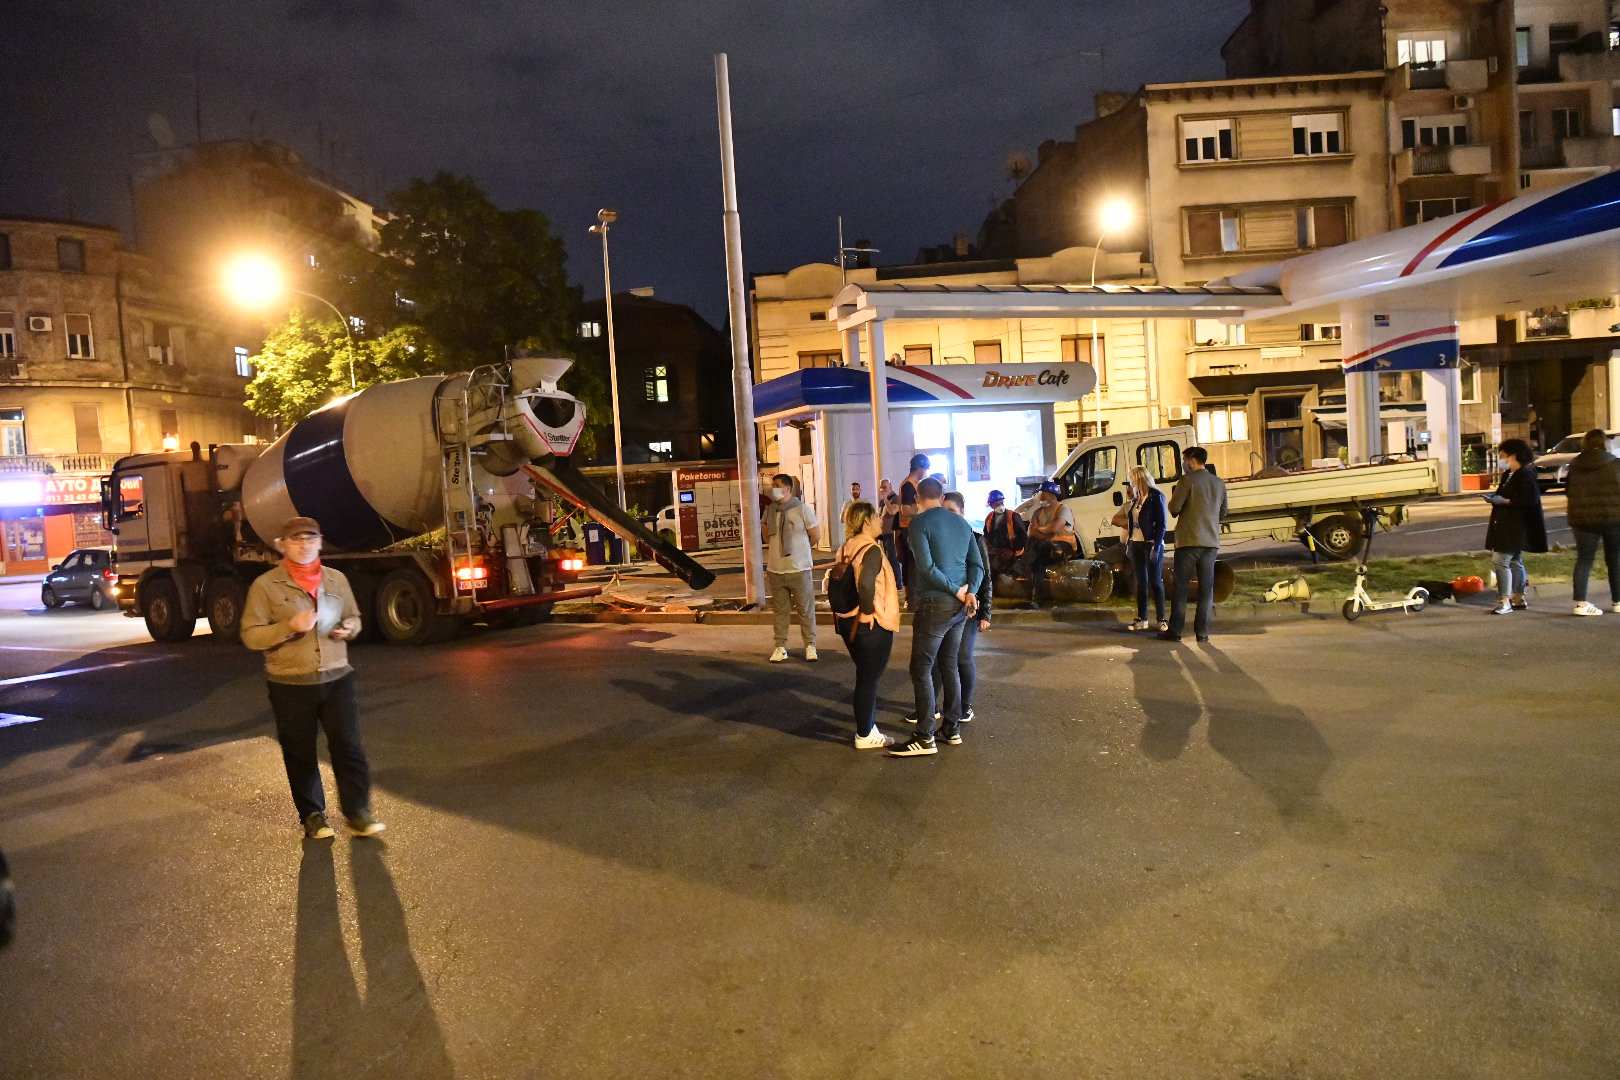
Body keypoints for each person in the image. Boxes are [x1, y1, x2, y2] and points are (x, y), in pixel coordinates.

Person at [241, 516, 384, 840]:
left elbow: (355, 617)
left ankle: (358, 812)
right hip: (290, 681)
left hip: (337, 676)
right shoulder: (266, 586)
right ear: (283, 546)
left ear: (320, 542)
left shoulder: (336, 580)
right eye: (296, 540)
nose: (304, 545)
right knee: (300, 750)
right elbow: (251, 635)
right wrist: (289, 627)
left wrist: (350, 628)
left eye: (310, 539)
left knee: (349, 745)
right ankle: (313, 816)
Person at [890, 477, 984, 757]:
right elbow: (977, 565)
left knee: (921, 668)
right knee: (949, 665)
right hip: (960, 608)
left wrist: (956, 591)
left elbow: (927, 567)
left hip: (936, 603)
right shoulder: (961, 522)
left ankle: (924, 735)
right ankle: (951, 728)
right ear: (942, 496)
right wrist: (970, 592)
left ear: (918, 497)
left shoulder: (919, 523)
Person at [828, 501, 899, 749]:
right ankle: (865, 734)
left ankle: (867, 725)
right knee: (869, 679)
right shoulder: (871, 550)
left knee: (865, 675)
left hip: (847, 621)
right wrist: (868, 613)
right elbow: (866, 584)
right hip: (869, 623)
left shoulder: (847, 547)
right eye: (877, 517)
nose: (881, 520)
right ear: (867, 520)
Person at [1161, 446, 1228, 643]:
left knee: (1181, 587)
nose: (1183, 464)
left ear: (1191, 460)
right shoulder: (1218, 483)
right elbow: (1223, 512)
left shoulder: (1187, 480)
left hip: (1189, 541)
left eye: (1184, 460)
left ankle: (1175, 631)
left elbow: (1174, 508)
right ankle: (1202, 633)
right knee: (1206, 589)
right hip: (1211, 542)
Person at [1484, 437, 1547, 615]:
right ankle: (1518, 598)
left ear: (1514, 456)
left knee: (1500, 560)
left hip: (1516, 526)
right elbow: (1502, 494)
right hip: (1506, 524)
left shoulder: (1526, 474)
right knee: (1514, 561)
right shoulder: (1508, 474)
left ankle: (1504, 600)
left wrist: (1505, 501)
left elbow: (1530, 500)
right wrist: (1495, 498)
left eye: (1503, 456)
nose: (1501, 460)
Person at [762, 472, 820, 660]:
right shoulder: (769, 510)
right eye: (773, 485)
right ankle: (780, 646)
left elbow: (815, 535)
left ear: (788, 488)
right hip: (776, 569)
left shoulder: (802, 509)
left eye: (777, 485)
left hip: (799, 568)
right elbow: (766, 536)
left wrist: (800, 550)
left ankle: (810, 645)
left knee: (805, 610)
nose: (773, 489)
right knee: (780, 611)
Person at [944, 491, 990, 724]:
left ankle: (965, 706)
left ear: (962, 512)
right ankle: (936, 708)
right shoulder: (940, 539)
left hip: (970, 608)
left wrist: (986, 613)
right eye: (945, 511)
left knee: (962, 657)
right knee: (943, 659)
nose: (948, 516)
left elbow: (986, 577)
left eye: (952, 511)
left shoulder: (975, 537)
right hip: (946, 607)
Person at [1565, 429, 1620, 616]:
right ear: (1605, 443)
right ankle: (1618, 601)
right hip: (1613, 517)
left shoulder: (1574, 465)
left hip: (1582, 519)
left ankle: (1581, 603)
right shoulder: (1615, 464)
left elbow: (1568, 490)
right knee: (1615, 559)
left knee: (1584, 560)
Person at [1015, 481, 1077, 607]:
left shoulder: (1063, 509)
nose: (1040, 497)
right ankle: (1038, 599)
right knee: (1038, 563)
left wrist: (1042, 531)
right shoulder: (1037, 513)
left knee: (1040, 545)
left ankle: (1017, 571)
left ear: (1052, 495)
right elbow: (1031, 533)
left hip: (1063, 548)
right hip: (1044, 549)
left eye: (1043, 494)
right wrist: (1044, 532)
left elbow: (1053, 529)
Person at [1124, 465, 1169, 632]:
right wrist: (1129, 542)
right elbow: (1132, 523)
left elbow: (1162, 525)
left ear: (1139, 478)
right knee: (1141, 581)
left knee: (1155, 580)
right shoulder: (1136, 498)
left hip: (1151, 543)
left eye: (1132, 478)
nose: (1130, 482)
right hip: (1136, 543)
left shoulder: (1156, 497)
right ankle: (1142, 618)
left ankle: (1161, 618)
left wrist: (1156, 546)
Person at [896, 454, 929, 606]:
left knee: (913, 566)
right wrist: (923, 507)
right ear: (920, 468)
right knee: (913, 566)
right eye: (925, 469)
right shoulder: (909, 485)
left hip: (910, 529)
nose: (925, 473)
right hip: (908, 530)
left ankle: (913, 599)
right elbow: (905, 510)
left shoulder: (913, 484)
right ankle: (913, 600)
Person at [983, 489, 1027, 577]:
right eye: (997, 504)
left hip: (1013, 552)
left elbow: (1023, 537)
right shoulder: (989, 517)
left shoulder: (1013, 516)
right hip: (996, 551)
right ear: (991, 505)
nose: (1000, 506)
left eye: (1001, 502)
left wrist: (1012, 550)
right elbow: (987, 535)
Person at [877, 479, 901, 578]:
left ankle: (898, 585)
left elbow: (892, 512)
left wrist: (885, 498)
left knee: (893, 560)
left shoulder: (896, 498)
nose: (883, 490)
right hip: (883, 535)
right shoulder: (882, 502)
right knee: (885, 561)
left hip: (892, 533)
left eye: (885, 487)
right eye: (881, 488)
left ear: (890, 487)